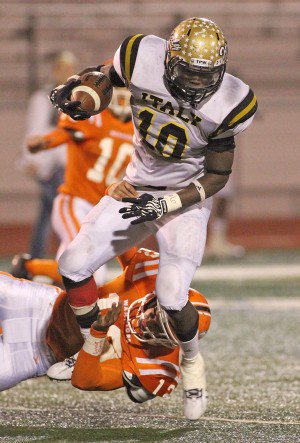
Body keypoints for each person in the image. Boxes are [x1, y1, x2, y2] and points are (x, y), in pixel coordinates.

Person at [49, 17, 257, 417]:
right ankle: (98, 338)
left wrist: (168, 205)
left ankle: (192, 359)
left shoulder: (233, 101)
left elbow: (217, 176)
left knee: (172, 296)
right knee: (72, 263)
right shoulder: (140, 54)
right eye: (188, 73)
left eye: (206, 76)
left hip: (187, 198)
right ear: (168, 60)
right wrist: (83, 92)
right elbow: (104, 78)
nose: (197, 84)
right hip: (136, 185)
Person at [0, 248, 210, 420]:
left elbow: (85, 380)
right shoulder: (151, 276)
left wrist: (98, 333)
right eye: (157, 314)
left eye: (160, 330)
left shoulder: (156, 368)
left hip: (34, 357)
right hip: (40, 304)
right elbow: (114, 237)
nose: (149, 322)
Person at [12, 88, 134, 285]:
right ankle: (28, 268)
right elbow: (63, 134)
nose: (123, 103)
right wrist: (43, 143)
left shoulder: (137, 128)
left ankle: (31, 270)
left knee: (78, 274)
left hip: (101, 209)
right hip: (74, 202)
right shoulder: (94, 118)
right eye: (119, 97)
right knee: (88, 268)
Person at [18, 51, 78, 258]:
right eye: (63, 68)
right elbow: (36, 129)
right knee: (64, 215)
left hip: (65, 164)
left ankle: (36, 259)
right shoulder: (45, 96)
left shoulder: (73, 95)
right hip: (53, 165)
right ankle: (67, 259)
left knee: (48, 214)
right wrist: (32, 159)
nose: (67, 72)